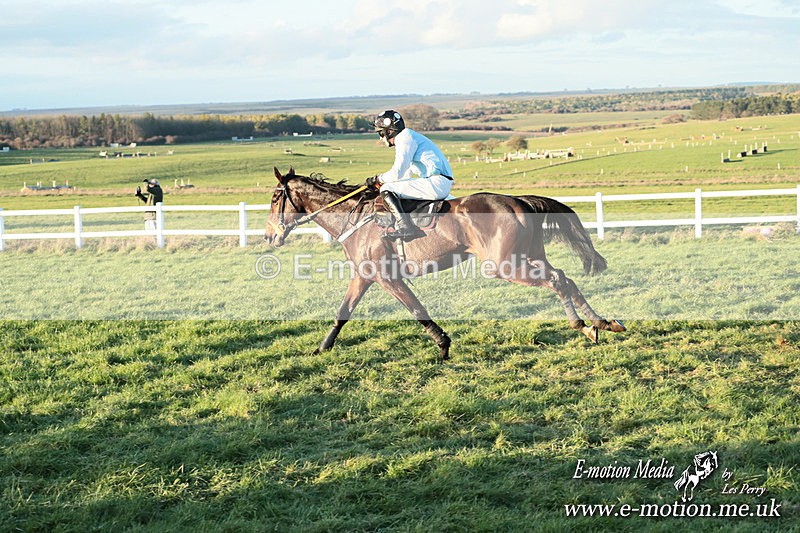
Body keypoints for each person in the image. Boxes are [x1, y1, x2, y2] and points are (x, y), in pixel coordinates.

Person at [365, 110, 454, 241]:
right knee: (391, 187)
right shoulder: (409, 137)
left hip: (436, 183)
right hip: (439, 182)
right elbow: (404, 176)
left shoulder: (405, 139)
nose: (380, 138)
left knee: (386, 189)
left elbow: (397, 173)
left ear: (388, 131)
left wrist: (377, 179)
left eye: (380, 133)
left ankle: (406, 228)